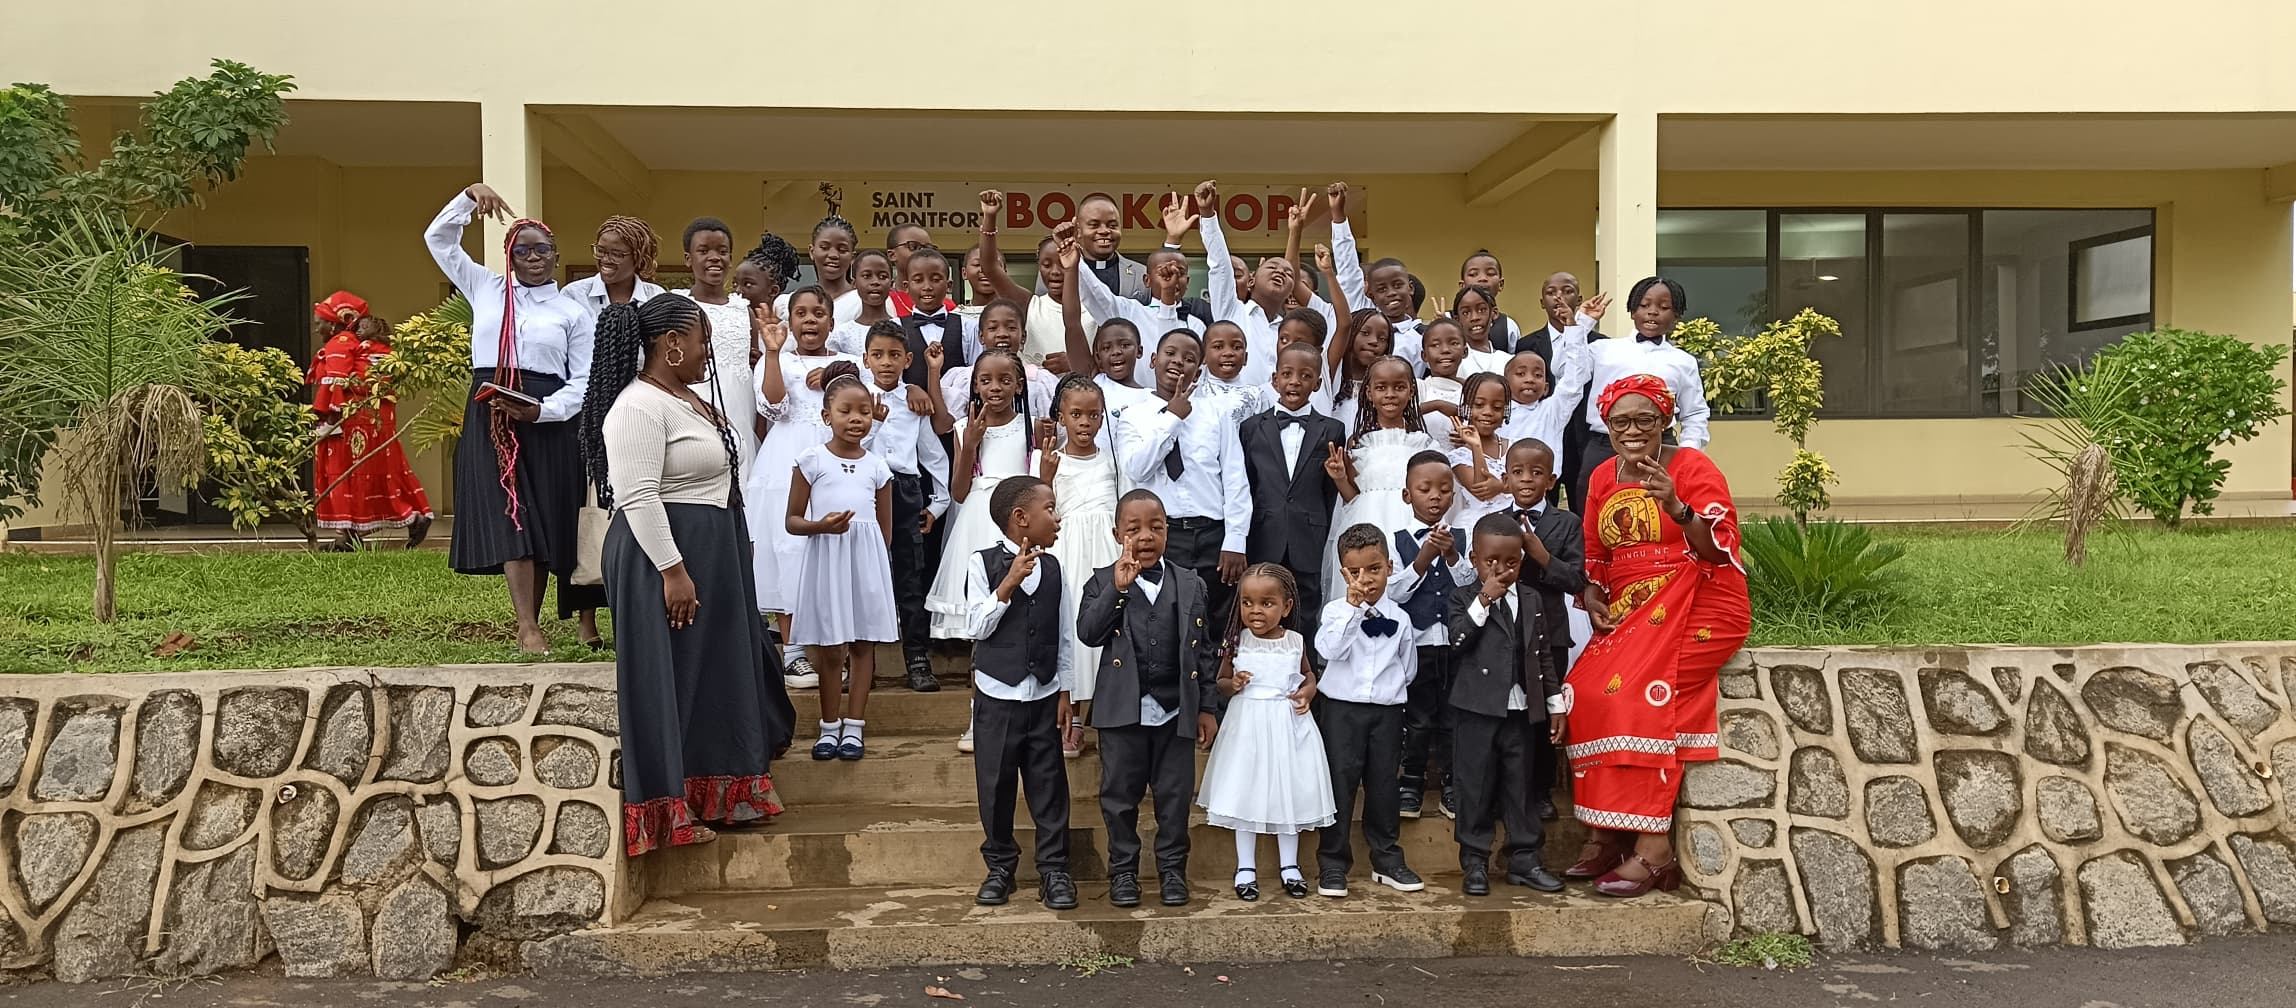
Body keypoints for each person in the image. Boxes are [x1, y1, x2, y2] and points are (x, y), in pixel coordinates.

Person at [581, 292, 792, 855]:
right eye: (702, 342)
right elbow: (638, 496)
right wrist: (674, 571)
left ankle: (715, 792)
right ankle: (663, 809)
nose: (708, 353)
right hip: (663, 557)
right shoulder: (637, 407)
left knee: (714, 672)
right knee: (666, 678)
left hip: (711, 551)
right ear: (672, 344)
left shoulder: (688, 399)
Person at [1566, 374, 1750, 898]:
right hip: (1632, 609)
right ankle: (1608, 831)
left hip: (1701, 599)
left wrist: (1677, 508)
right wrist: (1594, 595)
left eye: (1644, 419)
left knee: (1639, 695)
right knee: (1583, 691)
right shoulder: (1601, 476)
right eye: (1619, 421)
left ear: (1665, 420)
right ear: (1605, 425)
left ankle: (1653, 848)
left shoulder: (1692, 467)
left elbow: (1719, 549)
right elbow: (1595, 552)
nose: (1631, 430)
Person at [424, 183, 591, 654]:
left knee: (541, 518)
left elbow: (582, 379)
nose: (533, 257)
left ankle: (532, 621)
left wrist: (543, 411)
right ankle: (527, 626)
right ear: (509, 256)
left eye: (542, 249)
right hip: (492, 409)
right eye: (522, 250)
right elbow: (438, 239)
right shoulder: (486, 288)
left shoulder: (572, 312)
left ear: (556, 255)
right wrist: (467, 199)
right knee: (511, 513)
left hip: (546, 416)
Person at [1075, 490, 1222, 908]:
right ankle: (1123, 872)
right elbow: (1089, 633)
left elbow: (1203, 651)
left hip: (1175, 710)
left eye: (1156, 527)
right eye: (1134, 528)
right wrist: (1117, 589)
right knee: (1119, 797)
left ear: (1167, 531)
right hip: (1122, 711)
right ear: (1116, 533)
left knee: (1174, 797)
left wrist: (1207, 707)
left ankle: (1173, 870)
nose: (1145, 536)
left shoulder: (1190, 582)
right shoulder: (1101, 581)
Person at [956, 475, 1078, 910]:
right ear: (1020, 518)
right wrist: (1007, 584)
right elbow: (975, 627)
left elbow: (1064, 634)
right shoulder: (982, 563)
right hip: (997, 696)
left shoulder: (1054, 568)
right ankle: (1000, 867)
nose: (1057, 517)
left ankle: (1054, 869)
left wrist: (1065, 691)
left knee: (1050, 785)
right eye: (1050, 509)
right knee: (996, 785)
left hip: (1043, 694)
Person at [557, 214, 667, 648]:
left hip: (641, 414)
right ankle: (587, 619)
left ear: (638, 257)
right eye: (600, 251)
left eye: (617, 253)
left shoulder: (655, 299)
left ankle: (632, 613)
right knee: (592, 514)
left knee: (636, 509)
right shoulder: (573, 296)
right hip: (588, 418)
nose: (606, 260)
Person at [1446, 513, 1567, 895]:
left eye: (1511, 562)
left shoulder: (1530, 598)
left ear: (1522, 560)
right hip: (1477, 710)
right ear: (1474, 559)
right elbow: (1457, 640)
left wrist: (1555, 704)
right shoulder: (1463, 598)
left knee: (1522, 785)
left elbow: (1543, 654)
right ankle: (1475, 861)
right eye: (1491, 561)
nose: (1501, 570)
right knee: (1475, 786)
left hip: (1521, 709)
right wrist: (1484, 600)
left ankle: (1525, 859)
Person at [1198, 563, 1332, 902]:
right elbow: (1221, 682)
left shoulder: (1295, 641)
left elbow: (1308, 675)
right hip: (1247, 728)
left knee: (1289, 794)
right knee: (1246, 793)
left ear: (1286, 607)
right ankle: (1245, 867)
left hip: (1287, 725)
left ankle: (1290, 866)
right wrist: (1233, 683)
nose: (1255, 610)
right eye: (1247, 602)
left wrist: (1308, 691)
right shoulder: (1236, 641)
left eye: (1266, 603)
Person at [747, 287, 860, 687]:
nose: (810, 320)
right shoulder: (778, 359)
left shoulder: (848, 363)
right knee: (789, 550)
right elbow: (773, 406)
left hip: (837, 461)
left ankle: (834, 650)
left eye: (818, 313)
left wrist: (835, 376)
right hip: (786, 461)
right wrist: (772, 353)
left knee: (835, 553)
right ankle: (794, 652)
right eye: (801, 313)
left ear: (832, 321)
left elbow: (862, 406)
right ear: (790, 321)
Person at [788, 361, 898, 761]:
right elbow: (792, 521)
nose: (856, 419)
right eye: (846, 411)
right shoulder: (811, 460)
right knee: (832, 648)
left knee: (864, 645)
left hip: (865, 564)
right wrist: (822, 526)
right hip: (828, 559)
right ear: (826, 416)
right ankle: (828, 725)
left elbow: (884, 531)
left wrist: (874, 568)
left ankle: (855, 726)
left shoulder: (878, 467)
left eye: (864, 412)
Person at [1114, 329, 1250, 644]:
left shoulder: (1216, 413)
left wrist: (1235, 539)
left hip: (1213, 535)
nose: (1178, 362)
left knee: (1214, 622)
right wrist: (1172, 418)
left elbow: (1234, 478)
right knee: (1164, 623)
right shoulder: (1133, 416)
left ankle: (1212, 677)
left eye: (1189, 358)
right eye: (1170, 354)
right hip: (1164, 536)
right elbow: (1137, 468)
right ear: (1153, 360)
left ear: (1198, 371)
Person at [1312, 523, 1424, 898]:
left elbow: (1408, 668)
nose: (1365, 579)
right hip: (1341, 712)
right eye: (1355, 571)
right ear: (1344, 572)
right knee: (1339, 784)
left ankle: (1386, 859)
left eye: (1374, 569)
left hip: (1387, 714)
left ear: (1389, 567)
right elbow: (1329, 651)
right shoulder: (1334, 612)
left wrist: (1388, 694)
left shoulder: (1401, 619)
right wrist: (1353, 609)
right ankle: (1332, 863)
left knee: (1384, 785)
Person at [859, 322, 952, 693]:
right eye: (878, 355)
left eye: (894, 355)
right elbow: (847, 446)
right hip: (864, 492)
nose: (886, 363)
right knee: (863, 577)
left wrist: (938, 504)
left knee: (910, 578)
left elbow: (933, 456)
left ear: (907, 360)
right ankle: (860, 660)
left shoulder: (915, 404)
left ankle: (916, 658)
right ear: (865, 359)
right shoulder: (855, 397)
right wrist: (872, 425)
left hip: (905, 492)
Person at [1237, 344, 1347, 644]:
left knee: (1305, 608)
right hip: (1263, 533)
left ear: (1318, 383)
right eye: (1287, 374)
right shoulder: (1251, 428)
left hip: (1307, 535)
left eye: (1305, 375)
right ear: (1275, 380)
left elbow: (1328, 492)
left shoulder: (1333, 430)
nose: (1295, 381)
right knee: (1260, 606)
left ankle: (1304, 668)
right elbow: (1246, 484)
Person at [926, 349, 1038, 639]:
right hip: (977, 520)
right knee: (979, 597)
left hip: (1019, 518)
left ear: (1019, 385)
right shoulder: (963, 428)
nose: (995, 387)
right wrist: (970, 445)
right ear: (975, 385)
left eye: (1005, 380)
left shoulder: (1033, 426)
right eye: (986, 380)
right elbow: (959, 492)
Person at [308, 293, 433, 551]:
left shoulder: (341, 343)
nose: (316, 328)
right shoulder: (372, 347)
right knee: (376, 471)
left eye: (320, 322)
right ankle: (357, 534)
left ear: (335, 324)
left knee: (344, 473)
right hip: (376, 418)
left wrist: (327, 418)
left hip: (351, 420)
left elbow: (335, 381)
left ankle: (355, 534)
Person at [1504, 437, 1587, 822]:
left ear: (1551, 480)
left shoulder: (1567, 523)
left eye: (1536, 473)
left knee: (1544, 713)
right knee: (1510, 714)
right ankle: (1508, 790)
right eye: (1518, 472)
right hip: (1506, 634)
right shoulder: (1496, 522)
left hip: (1550, 633)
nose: (1526, 479)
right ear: (1506, 479)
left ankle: (1541, 791)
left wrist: (1542, 557)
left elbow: (1576, 580)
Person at [1041, 376, 1123, 757]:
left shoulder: (1112, 460)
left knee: (1108, 624)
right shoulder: (1051, 460)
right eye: (1076, 414)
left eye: (1093, 415)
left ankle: (1108, 715)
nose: (1085, 422)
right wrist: (1044, 475)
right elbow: (1045, 506)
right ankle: (1070, 716)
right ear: (1062, 417)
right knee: (1072, 628)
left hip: (1106, 552)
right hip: (1069, 551)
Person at [1389, 450, 1473, 822]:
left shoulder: (1464, 539)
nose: (1435, 496)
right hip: (1418, 645)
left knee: (1454, 715)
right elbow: (1393, 593)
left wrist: (1452, 556)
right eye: (1425, 489)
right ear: (1408, 495)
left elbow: (1471, 587)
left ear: (1453, 496)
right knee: (1418, 717)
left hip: (1455, 643)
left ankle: (1453, 783)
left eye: (1444, 489)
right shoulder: (1396, 541)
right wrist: (1422, 558)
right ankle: (1411, 781)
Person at [1325, 355, 1449, 605]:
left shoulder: (1423, 442)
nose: (1390, 394)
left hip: (1412, 522)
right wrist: (1340, 478)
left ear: (1411, 391)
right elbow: (1354, 496)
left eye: (1399, 387)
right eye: (1381, 388)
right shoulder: (1358, 442)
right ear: (1369, 393)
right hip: (1367, 519)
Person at [1578, 277, 1710, 511]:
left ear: (1676, 315)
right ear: (1632, 310)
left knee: (1659, 515)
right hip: (1605, 446)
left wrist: (1687, 451)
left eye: (1664, 307)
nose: (1653, 312)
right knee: (1594, 513)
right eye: (1644, 305)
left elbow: (1695, 413)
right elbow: (1563, 369)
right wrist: (1583, 323)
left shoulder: (1683, 361)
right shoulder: (1601, 349)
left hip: (1661, 447)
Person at [1193, 179, 1336, 387]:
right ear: (1251, 280)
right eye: (1272, 267)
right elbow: (1220, 267)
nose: (1280, 272)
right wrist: (1207, 215)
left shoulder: (1287, 333)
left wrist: (1296, 231)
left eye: (1288, 273)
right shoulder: (1232, 312)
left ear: (1291, 290)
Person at [1496, 294, 1603, 499]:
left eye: (1537, 375)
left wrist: (1574, 328)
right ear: (1505, 384)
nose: (1530, 379)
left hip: (1543, 494)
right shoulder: (1497, 414)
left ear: (1546, 388)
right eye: (1521, 374)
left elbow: (1575, 377)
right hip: (1500, 493)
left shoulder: (1552, 410)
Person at [674, 218, 759, 477]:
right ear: (688, 259)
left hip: (740, 411)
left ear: (731, 258)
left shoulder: (744, 311)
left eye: (722, 251)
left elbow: (754, 364)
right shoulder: (677, 306)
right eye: (703, 251)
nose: (714, 258)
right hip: (692, 407)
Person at [976, 192, 1096, 372]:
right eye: (1046, 265)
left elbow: (1109, 358)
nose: (1055, 272)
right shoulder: (1030, 304)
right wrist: (989, 217)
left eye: (1062, 264)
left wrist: (1076, 361)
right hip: (1034, 390)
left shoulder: (1096, 308)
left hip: (1082, 389)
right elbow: (990, 267)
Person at [1327, 182, 1421, 362]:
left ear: (1410, 287)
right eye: (1382, 289)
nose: (1391, 293)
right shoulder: (1362, 313)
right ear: (1370, 294)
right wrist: (1338, 215)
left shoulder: (1422, 336)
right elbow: (1347, 265)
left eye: (1397, 285)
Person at [772, 215, 865, 325]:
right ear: (812, 252)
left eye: (842, 250)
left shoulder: (864, 304)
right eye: (824, 248)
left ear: (852, 257)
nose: (833, 255)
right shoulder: (788, 303)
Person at [1451, 373, 1516, 530]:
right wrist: (1476, 446)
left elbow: (1532, 483)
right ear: (1467, 407)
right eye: (1479, 405)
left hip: (1516, 521)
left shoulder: (1515, 447)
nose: (1488, 412)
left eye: (1497, 407)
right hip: (1481, 526)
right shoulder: (1458, 457)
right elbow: (1481, 491)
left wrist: (1501, 486)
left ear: (1505, 411)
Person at [826, 248, 896, 356]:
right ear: (854, 283)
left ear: (891, 284)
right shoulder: (842, 335)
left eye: (883, 277)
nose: (875, 282)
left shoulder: (904, 327)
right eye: (866, 276)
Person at [886, 222, 957, 317]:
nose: (922, 252)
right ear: (892, 255)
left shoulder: (948, 306)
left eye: (928, 248)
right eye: (913, 247)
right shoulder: (885, 303)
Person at [1451, 285, 1512, 380]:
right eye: (1466, 313)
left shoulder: (1508, 361)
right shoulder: (1452, 360)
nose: (1474, 318)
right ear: (1457, 319)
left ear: (1494, 313)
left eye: (1482, 310)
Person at [1417, 317, 1470, 418]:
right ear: (1424, 355)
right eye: (1435, 345)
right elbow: (1400, 415)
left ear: (1465, 352)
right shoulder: (1419, 388)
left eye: (1454, 343)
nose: (1445, 350)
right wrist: (1437, 405)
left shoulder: (1472, 392)